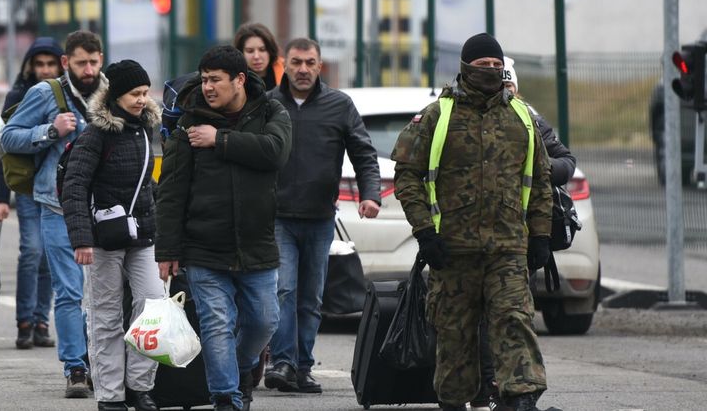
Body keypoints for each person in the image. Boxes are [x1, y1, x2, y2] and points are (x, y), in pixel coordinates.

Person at [391, 33, 553, 411]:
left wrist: (541, 234)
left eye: (497, 66)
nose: (490, 72)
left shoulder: (521, 118)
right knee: (455, 338)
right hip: (452, 252)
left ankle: (522, 398)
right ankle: (454, 401)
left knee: (515, 322)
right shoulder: (438, 116)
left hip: (508, 250)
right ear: (465, 68)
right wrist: (424, 232)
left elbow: (542, 181)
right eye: (482, 66)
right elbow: (407, 174)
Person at [155, 45, 292, 411]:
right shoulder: (188, 121)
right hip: (203, 247)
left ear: (239, 80)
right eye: (204, 79)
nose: (209, 87)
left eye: (216, 80)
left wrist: (220, 140)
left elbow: (275, 151)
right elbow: (171, 190)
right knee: (217, 323)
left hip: (257, 244)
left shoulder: (270, 111)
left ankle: (242, 368)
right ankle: (226, 398)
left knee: (265, 322)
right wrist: (167, 251)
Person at [263, 38, 382, 395]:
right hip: (278, 216)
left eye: (309, 62)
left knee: (311, 298)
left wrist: (370, 195)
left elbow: (364, 153)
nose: (302, 69)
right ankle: (282, 362)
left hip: (319, 217)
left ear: (319, 66)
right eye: (296, 62)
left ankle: (302, 367)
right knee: (284, 290)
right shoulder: (269, 104)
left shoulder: (339, 105)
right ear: (286, 64)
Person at [0, 30, 107, 399]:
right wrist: (50, 130)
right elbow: (8, 136)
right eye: (81, 62)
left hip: (105, 208)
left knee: (104, 294)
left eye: (94, 61)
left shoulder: (114, 94)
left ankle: (102, 363)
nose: (89, 69)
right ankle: (76, 367)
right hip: (57, 206)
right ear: (66, 62)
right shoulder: (46, 93)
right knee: (69, 291)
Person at [469, 58, 577, 409]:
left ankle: (514, 391)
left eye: (509, 85)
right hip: (469, 239)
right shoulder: (460, 116)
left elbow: (565, 161)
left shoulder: (529, 118)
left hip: (518, 238)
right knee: (475, 317)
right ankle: (483, 385)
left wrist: (538, 166)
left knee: (513, 317)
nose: (505, 91)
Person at [61, 60, 163, 411]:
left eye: (146, 93)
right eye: (135, 93)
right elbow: (74, 188)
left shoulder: (149, 130)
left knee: (154, 305)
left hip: (143, 236)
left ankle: (139, 385)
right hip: (104, 238)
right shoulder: (95, 135)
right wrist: (81, 239)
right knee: (105, 316)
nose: (142, 100)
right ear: (116, 94)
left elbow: (150, 186)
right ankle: (110, 394)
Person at [0, 37, 64, 349]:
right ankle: (24, 321)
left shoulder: (67, 96)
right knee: (32, 251)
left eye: (50, 64)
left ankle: (40, 321)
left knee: (49, 256)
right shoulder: (20, 95)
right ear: (30, 66)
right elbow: (4, 148)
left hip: (57, 187)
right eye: (39, 64)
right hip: (26, 186)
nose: (45, 70)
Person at [233, 22, 283, 91]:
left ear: (270, 50)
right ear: (241, 53)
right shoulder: (233, 78)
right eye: (250, 51)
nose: (256, 56)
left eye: (262, 50)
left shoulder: (286, 72)